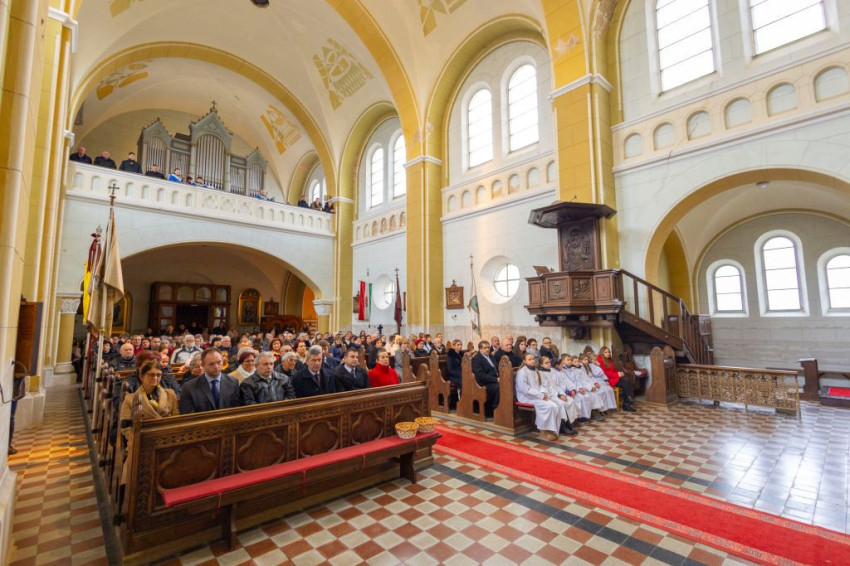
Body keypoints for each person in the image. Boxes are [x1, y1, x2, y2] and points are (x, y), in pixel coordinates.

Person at [118, 359, 179, 483]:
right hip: (142, 441)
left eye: (158, 375)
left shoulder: (170, 394)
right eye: (151, 375)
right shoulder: (130, 399)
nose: (155, 378)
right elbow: (125, 427)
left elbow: (176, 419)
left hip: (167, 439)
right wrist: (136, 439)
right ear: (142, 377)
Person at [516, 353, 570, 441]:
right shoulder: (522, 372)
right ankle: (543, 431)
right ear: (524, 361)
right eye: (529, 359)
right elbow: (525, 390)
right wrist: (540, 395)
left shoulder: (535, 370)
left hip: (536, 395)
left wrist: (544, 393)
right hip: (526, 397)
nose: (532, 361)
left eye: (533, 359)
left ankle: (553, 430)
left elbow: (540, 385)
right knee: (548, 406)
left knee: (555, 405)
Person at [178, 349, 241, 413]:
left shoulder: (233, 382)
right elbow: (188, 414)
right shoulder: (189, 387)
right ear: (203, 365)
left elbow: (237, 410)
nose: (216, 366)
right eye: (211, 364)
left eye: (219, 362)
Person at [597, 346, 636, 412]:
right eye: (606, 352)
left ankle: (628, 401)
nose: (608, 353)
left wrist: (619, 373)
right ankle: (627, 401)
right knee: (625, 381)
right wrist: (617, 374)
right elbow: (604, 373)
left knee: (627, 379)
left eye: (608, 352)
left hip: (614, 377)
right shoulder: (600, 359)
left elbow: (613, 370)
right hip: (608, 380)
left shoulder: (609, 360)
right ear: (602, 353)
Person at [471, 340, 500, 416]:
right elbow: (480, 375)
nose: (487, 349)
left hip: (495, 380)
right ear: (480, 349)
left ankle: (504, 408)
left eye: (488, 347)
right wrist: (495, 379)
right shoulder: (476, 359)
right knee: (499, 387)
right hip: (484, 383)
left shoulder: (491, 356)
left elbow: (496, 368)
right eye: (485, 348)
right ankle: (495, 409)